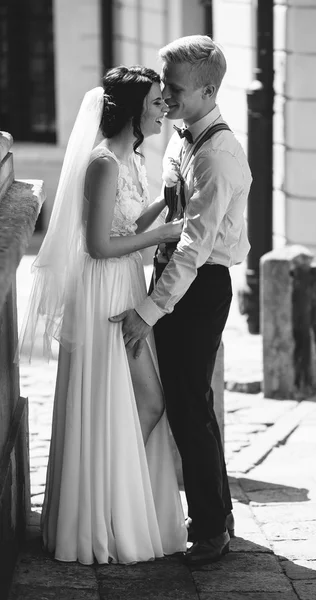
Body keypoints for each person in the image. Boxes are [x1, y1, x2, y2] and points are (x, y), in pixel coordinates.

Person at [19, 66, 188, 565]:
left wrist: (165, 202)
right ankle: (105, 505)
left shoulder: (130, 160)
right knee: (145, 400)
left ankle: (112, 499)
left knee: (138, 400)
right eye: (157, 101)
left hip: (124, 283)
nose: (164, 109)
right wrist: (160, 236)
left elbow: (125, 221)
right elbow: (96, 244)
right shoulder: (101, 163)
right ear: (135, 109)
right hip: (103, 292)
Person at [110, 36, 252, 566]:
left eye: (173, 87)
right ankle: (218, 516)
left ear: (208, 90)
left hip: (199, 286)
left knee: (190, 409)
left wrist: (147, 313)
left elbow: (194, 248)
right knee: (189, 407)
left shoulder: (217, 155)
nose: (164, 96)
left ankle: (211, 529)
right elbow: (169, 210)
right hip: (173, 276)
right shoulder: (181, 136)